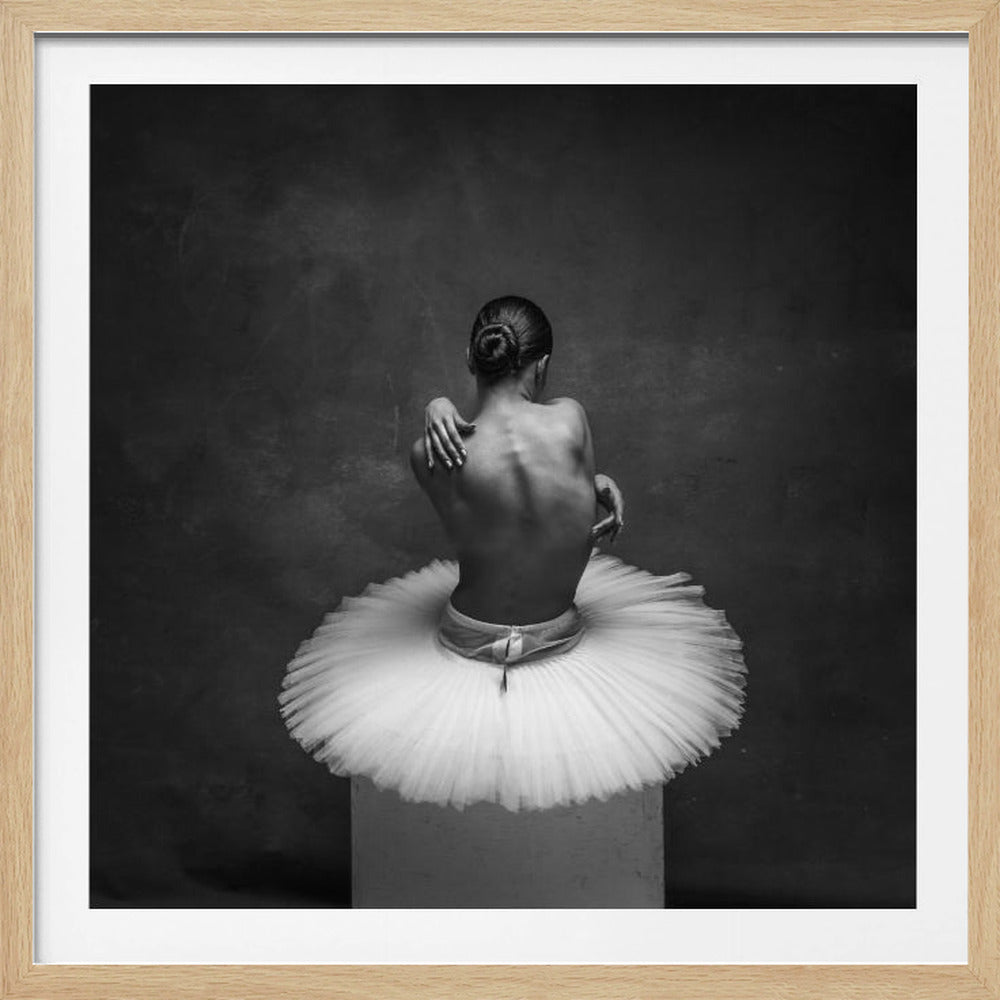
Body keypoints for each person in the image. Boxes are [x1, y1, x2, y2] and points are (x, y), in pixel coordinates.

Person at [279, 295, 746, 812]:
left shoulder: (428, 455)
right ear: (541, 365)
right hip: (557, 635)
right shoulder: (572, 419)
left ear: (470, 357)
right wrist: (592, 481)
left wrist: (436, 402)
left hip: (467, 637)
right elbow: (544, 503)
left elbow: (494, 501)